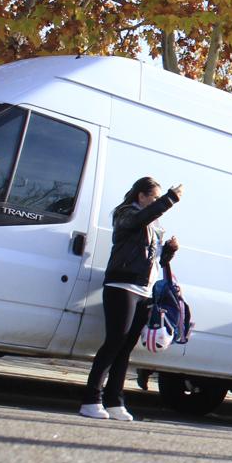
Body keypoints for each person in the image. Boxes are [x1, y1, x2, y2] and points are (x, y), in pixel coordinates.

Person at [82, 177, 182, 421]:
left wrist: (169, 251)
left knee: (126, 348)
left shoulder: (154, 224)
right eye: (155, 197)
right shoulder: (126, 214)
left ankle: (115, 401)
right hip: (122, 285)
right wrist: (170, 199)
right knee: (114, 342)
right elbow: (138, 221)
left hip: (143, 290)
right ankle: (91, 400)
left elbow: (155, 259)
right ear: (141, 196)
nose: (158, 202)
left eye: (159, 198)